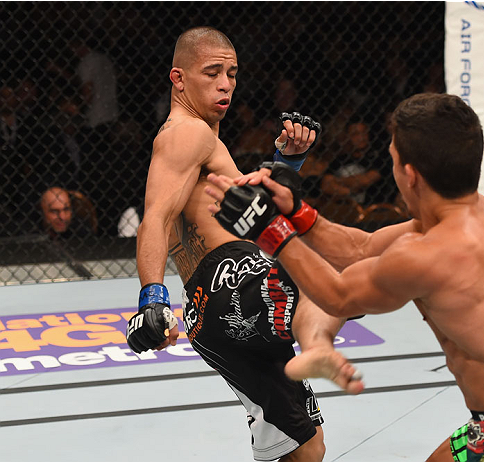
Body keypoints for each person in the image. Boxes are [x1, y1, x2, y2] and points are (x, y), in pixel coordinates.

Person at [207, 93, 484, 462]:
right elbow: (361, 248)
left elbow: (337, 295)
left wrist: (269, 230)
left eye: (393, 160)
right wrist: (296, 212)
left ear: (410, 175)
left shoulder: (428, 254)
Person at [124, 26, 362, 462]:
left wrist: (286, 162)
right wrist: (151, 298)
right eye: (211, 72)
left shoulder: (205, 139)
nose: (225, 84)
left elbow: (246, 213)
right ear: (178, 78)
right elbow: (155, 215)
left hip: (211, 313)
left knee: (306, 449)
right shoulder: (187, 133)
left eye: (232, 73)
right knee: (351, 274)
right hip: (230, 282)